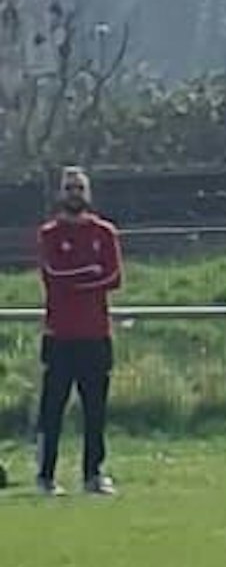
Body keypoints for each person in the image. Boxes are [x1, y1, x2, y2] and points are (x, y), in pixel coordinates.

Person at [36, 166, 123, 497]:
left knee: (95, 411)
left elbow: (113, 278)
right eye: (69, 188)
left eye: (80, 188)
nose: (74, 194)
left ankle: (93, 474)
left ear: (88, 193)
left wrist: (78, 280)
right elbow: (53, 275)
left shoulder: (105, 233)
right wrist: (89, 274)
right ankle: (46, 475)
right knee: (52, 409)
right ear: (61, 193)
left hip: (96, 336)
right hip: (59, 336)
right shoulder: (49, 234)